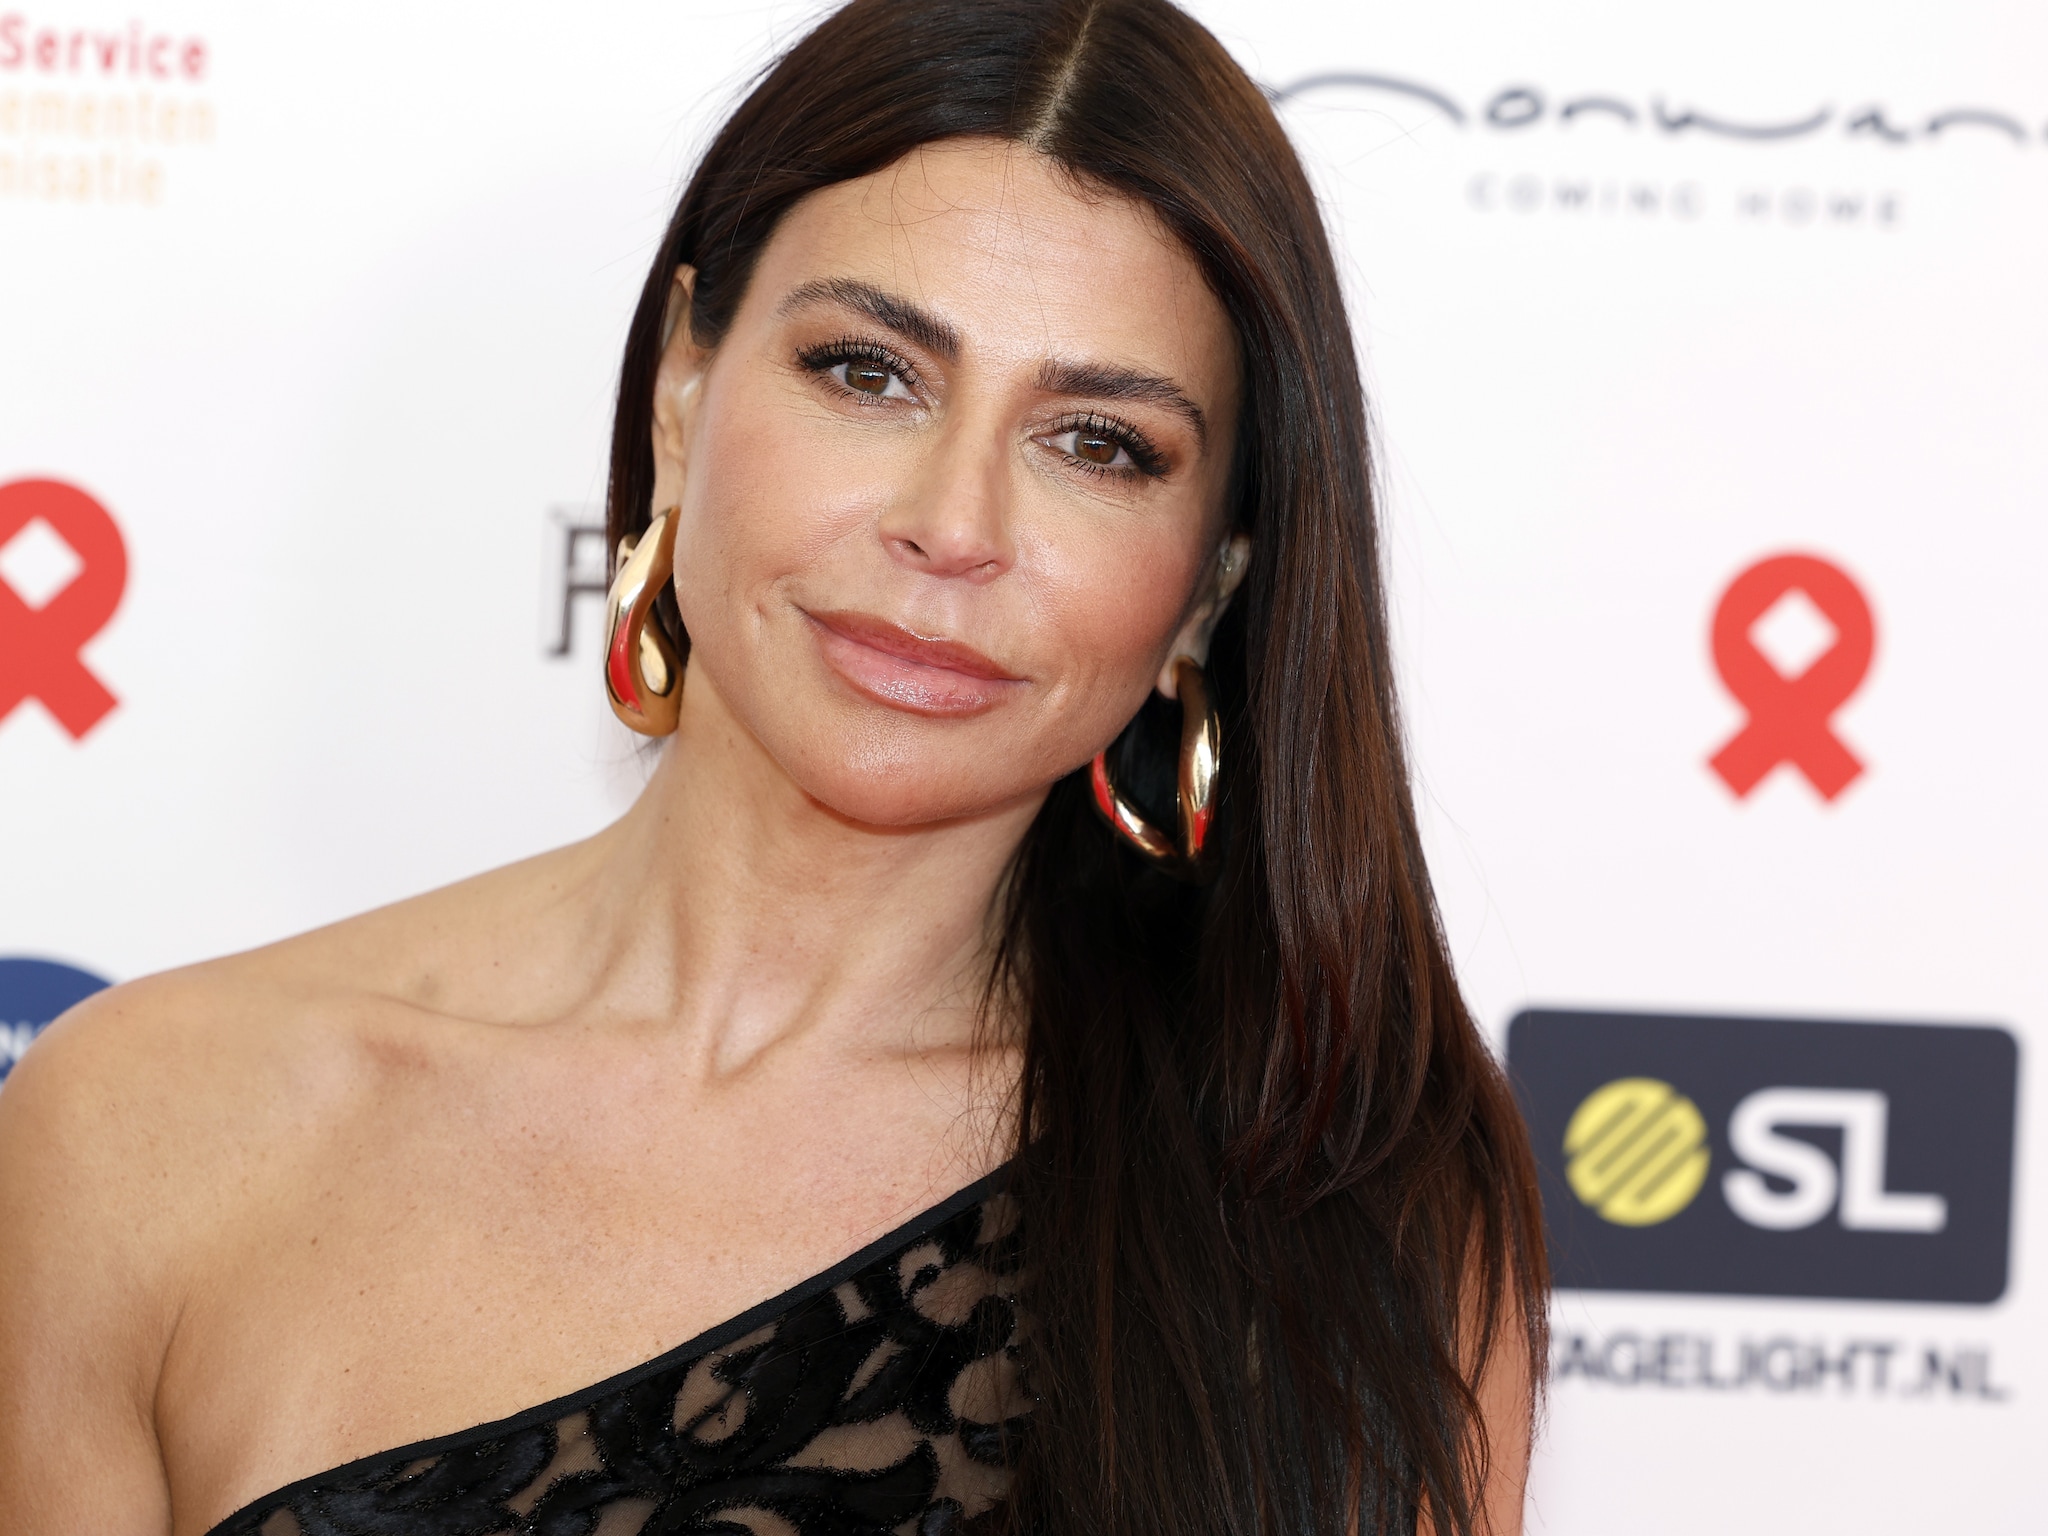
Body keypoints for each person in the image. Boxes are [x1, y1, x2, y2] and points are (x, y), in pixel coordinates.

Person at [0, 1, 1548, 1531]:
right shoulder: (145, 1135)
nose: (953, 525)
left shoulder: (1340, 1206)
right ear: (684, 394)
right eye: (871, 372)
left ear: (1209, 584)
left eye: (1097, 443)